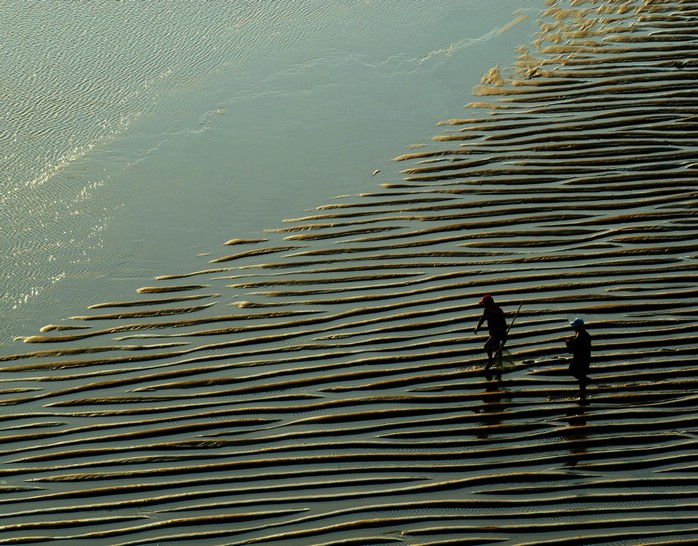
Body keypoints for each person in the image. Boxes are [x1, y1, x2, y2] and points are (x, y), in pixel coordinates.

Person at [474, 295, 507, 369]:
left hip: (497, 333)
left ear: (489, 303)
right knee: (497, 347)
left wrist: (504, 335)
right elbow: (483, 318)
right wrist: (477, 327)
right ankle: (499, 363)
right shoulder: (487, 309)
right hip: (492, 332)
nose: (484, 305)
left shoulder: (498, 311)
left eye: (485, 303)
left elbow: (503, 324)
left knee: (486, 346)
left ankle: (490, 360)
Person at [566, 317, 592, 397]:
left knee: (573, 371)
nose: (573, 328)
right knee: (581, 375)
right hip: (584, 358)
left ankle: (584, 386)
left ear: (578, 327)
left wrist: (569, 344)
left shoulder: (581, 335)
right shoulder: (583, 334)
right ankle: (582, 392)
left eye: (574, 326)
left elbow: (575, 349)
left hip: (580, 359)